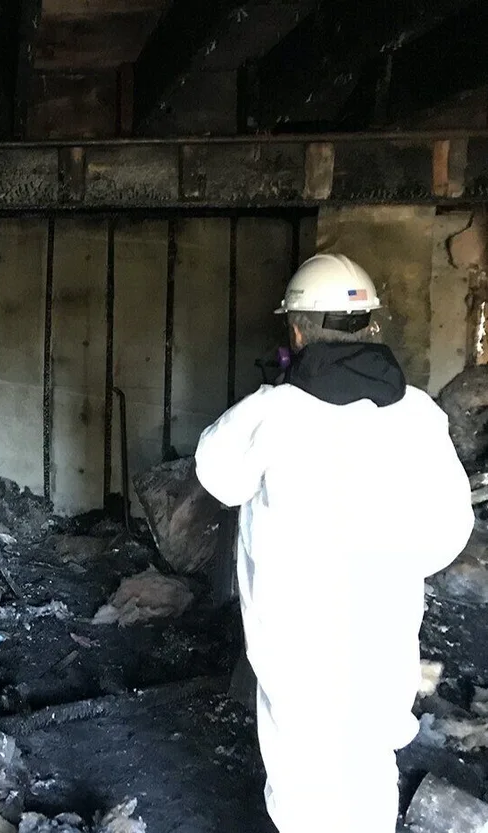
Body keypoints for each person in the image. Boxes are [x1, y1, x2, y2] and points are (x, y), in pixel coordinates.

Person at [194, 253, 474, 833]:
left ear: (295, 330)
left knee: (302, 779)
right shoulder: (419, 415)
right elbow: (449, 533)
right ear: (371, 327)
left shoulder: (273, 413)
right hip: (381, 637)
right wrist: (387, 565)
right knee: (370, 769)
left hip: (297, 642)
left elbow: (218, 477)